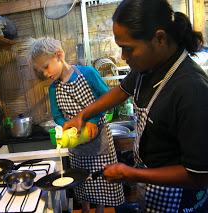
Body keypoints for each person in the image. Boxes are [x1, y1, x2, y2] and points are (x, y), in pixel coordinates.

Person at [63, 0, 208, 212]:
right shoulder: (147, 67)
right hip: (151, 187)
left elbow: (200, 177)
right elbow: (120, 92)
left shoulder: (192, 90)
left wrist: (130, 174)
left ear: (159, 38)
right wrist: (83, 115)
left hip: (179, 201)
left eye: (127, 48)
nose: (123, 56)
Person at [28, 37, 124, 213]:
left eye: (46, 67)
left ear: (59, 55)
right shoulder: (53, 89)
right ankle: (86, 209)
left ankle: (100, 210)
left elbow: (107, 100)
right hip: (77, 144)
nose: (45, 74)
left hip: (99, 140)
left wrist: (92, 121)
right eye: (41, 71)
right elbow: (57, 116)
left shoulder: (88, 73)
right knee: (82, 181)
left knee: (101, 180)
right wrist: (68, 127)